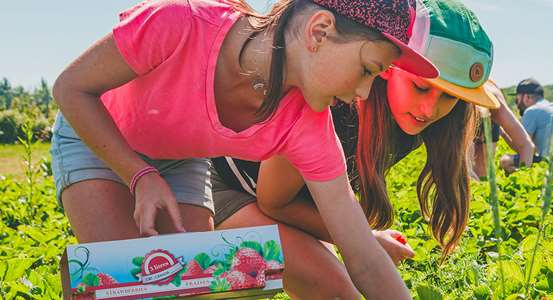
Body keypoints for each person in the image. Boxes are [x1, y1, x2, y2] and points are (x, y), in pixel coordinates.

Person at [51, 0, 437, 297]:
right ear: (320, 31)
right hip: (99, 135)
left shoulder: (308, 124)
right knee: (121, 280)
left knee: (188, 284)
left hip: (179, 157)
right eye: (368, 70)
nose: (363, 93)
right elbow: (70, 87)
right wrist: (139, 175)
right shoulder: (181, 21)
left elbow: (363, 254)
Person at [209, 0, 518, 297]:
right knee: (329, 285)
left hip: (271, 201)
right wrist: (362, 239)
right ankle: (177, 272)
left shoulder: (416, 118)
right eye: (420, 87)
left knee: (339, 282)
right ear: (388, 65)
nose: (428, 108)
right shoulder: (334, 101)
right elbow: (273, 201)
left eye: (448, 97)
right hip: (223, 186)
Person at [500, 78, 553, 174]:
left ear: (526, 97)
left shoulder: (531, 111)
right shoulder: (551, 107)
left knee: (505, 161)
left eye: (517, 100)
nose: (517, 105)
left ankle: (527, 181)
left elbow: (523, 148)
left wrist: (503, 133)